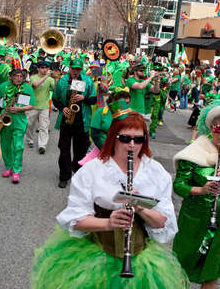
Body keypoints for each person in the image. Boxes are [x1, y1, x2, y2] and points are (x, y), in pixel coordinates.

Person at [31, 109, 189, 289]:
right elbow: (75, 220)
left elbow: (162, 222)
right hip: (96, 257)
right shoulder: (92, 171)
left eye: (138, 139)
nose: (132, 145)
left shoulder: (156, 173)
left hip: (142, 261)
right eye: (125, 138)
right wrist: (108, 223)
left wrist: (141, 208)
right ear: (113, 137)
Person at [173, 100, 220, 288]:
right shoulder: (196, 152)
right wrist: (201, 190)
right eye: (219, 129)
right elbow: (179, 186)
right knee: (182, 267)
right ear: (211, 128)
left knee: (212, 270)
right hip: (194, 220)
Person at [52, 58, 97, 189]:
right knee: (64, 149)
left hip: (82, 121)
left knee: (80, 151)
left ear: (81, 70)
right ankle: (64, 176)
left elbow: (93, 100)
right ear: (69, 68)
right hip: (66, 121)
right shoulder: (62, 81)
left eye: (78, 69)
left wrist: (84, 98)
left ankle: (77, 171)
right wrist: (63, 108)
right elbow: (55, 99)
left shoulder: (87, 81)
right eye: (73, 69)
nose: (75, 72)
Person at [0, 69, 35, 183]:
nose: (19, 78)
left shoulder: (27, 88)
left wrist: (19, 108)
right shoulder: (3, 86)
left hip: (19, 119)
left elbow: (32, 105)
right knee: (5, 145)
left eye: (21, 76)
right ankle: (8, 167)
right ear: (11, 77)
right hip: (5, 118)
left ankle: (16, 170)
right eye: (16, 76)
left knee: (18, 146)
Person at [25, 61, 55, 154]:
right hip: (33, 106)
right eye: (42, 67)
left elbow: (55, 89)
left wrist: (55, 78)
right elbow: (35, 85)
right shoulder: (33, 77)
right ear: (37, 68)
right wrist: (47, 76)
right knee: (29, 125)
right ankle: (30, 140)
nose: (44, 69)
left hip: (45, 106)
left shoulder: (50, 79)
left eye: (46, 68)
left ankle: (42, 145)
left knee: (44, 127)